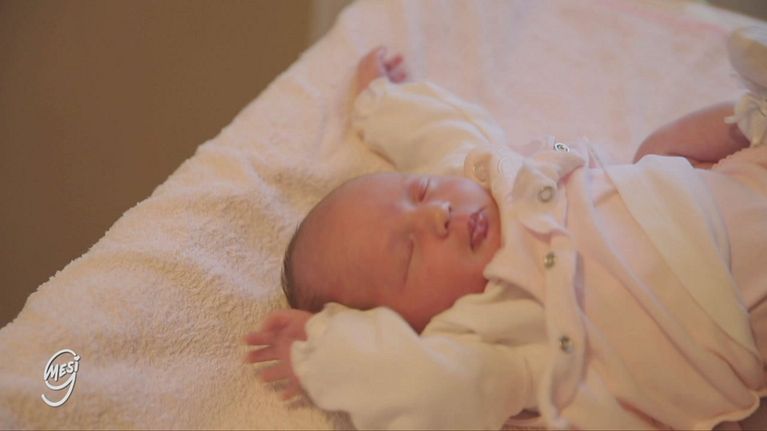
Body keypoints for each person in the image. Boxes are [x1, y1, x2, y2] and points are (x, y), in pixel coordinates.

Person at [244, 27, 767, 430]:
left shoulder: (487, 173)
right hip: (730, 321)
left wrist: (381, 102)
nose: (436, 216)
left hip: (697, 189)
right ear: (410, 328)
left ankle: (754, 117)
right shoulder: (488, 336)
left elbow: (441, 132)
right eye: (409, 253)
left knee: (656, 149)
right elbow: (427, 387)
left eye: (421, 191)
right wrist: (324, 352)